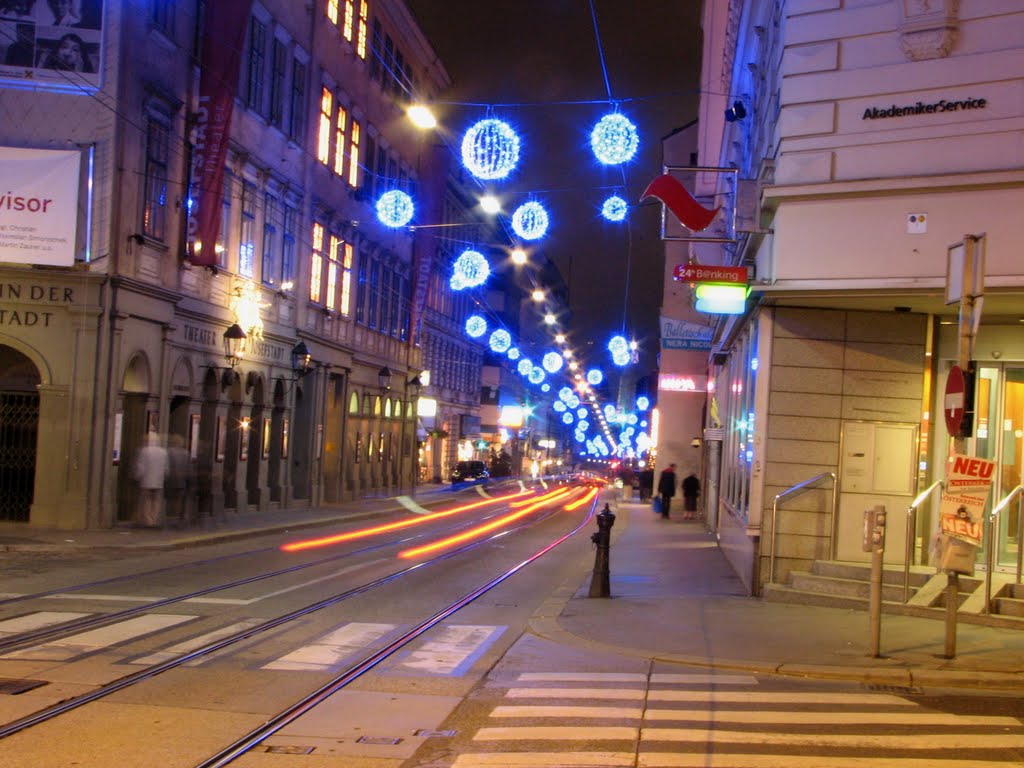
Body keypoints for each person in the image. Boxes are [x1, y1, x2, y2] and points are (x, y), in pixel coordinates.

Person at [133, 433, 168, 528]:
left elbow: (141, 466)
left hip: (147, 480)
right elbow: (166, 468)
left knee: (146, 500)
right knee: (156, 500)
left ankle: (147, 520)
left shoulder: (145, 451)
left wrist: (137, 476)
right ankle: (154, 518)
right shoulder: (163, 452)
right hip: (159, 481)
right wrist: (164, 476)